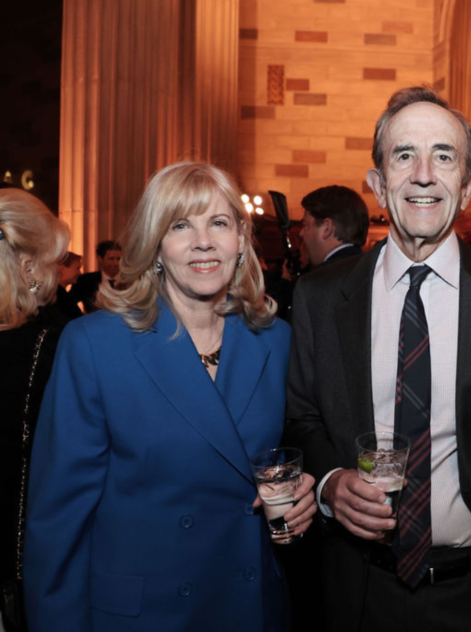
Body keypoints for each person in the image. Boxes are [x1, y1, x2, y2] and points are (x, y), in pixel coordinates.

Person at [285, 87, 471, 631]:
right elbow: (302, 416)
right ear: (377, 185)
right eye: (404, 155)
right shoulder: (321, 297)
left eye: (444, 156)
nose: (423, 174)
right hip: (356, 590)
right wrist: (330, 484)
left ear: (468, 187)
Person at [24, 162, 316, 632]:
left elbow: (290, 446)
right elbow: (57, 522)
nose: (203, 241)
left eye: (219, 223)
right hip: (144, 613)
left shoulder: (275, 340)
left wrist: (306, 490)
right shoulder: (95, 345)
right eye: (180, 225)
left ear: (241, 240)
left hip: (249, 604)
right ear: (155, 245)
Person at [0, 188, 69, 631]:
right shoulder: (54, 346)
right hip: (8, 586)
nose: (60, 273)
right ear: (28, 266)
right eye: (55, 260)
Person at [299, 185, 369, 268]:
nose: (301, 233)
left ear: (327, 228)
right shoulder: (372, 270)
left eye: (306, 225)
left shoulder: (318, 279)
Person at [69, 239, 122, 313]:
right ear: (100, 259)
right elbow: (69, 304)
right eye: (111, 259)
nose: (116, 263)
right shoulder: (85, 281)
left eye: (119, 259)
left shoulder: (129, 281)